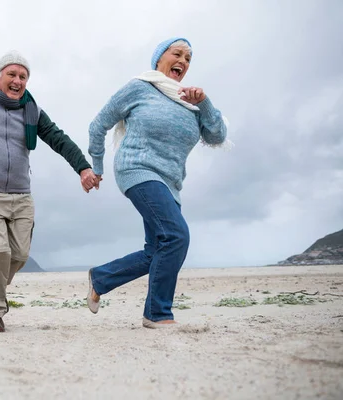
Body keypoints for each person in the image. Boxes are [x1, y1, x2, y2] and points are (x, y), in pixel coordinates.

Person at [0, 51, 98, 332]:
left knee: (20, 255)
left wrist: (83, 168)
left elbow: (58, 139)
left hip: (21, 194)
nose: (17, 80)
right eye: (11, 74)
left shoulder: (31, 110)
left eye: (23, 76)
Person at [86, 37, 228, 328]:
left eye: (188, 58)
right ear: (159, 59)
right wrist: (97, 167)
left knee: (158, 249)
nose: (183, 61)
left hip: (170, 182)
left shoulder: (190, 101)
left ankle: (101, 278)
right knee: (176, 236)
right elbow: (98, 124)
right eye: (177, 54)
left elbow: (217, 136)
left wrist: (205, 102)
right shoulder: (140, 87)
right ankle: (157, 313)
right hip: (137, 169)